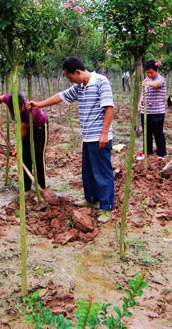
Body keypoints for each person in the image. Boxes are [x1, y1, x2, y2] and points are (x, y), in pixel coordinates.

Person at [30, 56, 114, 223]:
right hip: (87, 137)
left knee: (102, 173)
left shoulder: (100, 81)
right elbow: (61, 96)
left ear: (77, 72)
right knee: (88, 171)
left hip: (99, 137)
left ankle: (106, 207)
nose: (71, 81)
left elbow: (109, 107)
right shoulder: (79, 87)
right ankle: (91, 199)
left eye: (70, 77)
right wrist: (39, 105)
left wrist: (104, 133)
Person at [0, 92, 49, 192]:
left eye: (20, 108)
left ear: (23, 103)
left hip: (39, 126)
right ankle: (26, 186)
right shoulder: (9, 99)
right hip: (26, 127)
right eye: (16, 109)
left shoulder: (28, 110)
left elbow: (23, 131)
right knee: (25, 156)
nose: (19, 111)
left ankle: (42, 187)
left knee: (38, 156)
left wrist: (17, 146)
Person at [136, 60, 167, 161]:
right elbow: (143, 92)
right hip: (146, 111)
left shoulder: (161, 79)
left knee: (158, 133)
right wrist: (139, 104)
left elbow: (157, 84)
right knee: (146, 133)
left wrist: (147, 83)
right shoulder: (147, 79)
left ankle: (161, 154)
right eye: (147, 72)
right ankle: (147, 152)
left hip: (157, 111)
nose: (149, 74)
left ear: (157, 70)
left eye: (151, 72)